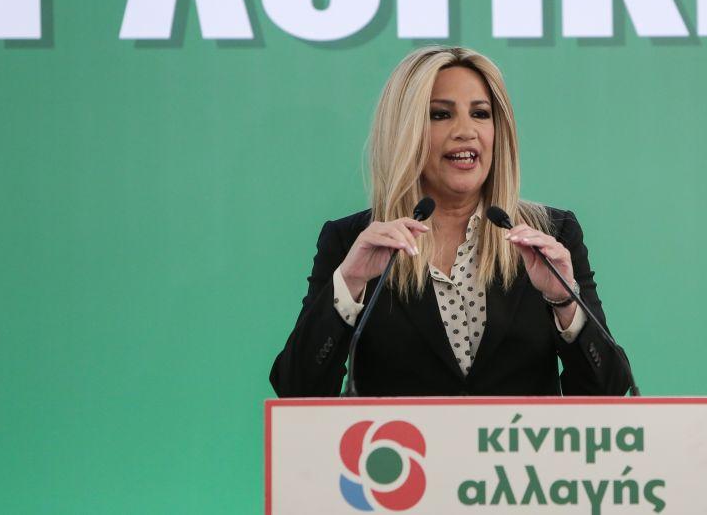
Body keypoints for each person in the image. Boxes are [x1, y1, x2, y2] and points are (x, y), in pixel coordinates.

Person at [270, 46, 630, 397]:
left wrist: (564, 302)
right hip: (400, 440)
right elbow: (297, 390)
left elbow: (608, 391)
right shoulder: (354, 241)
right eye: (441, 115)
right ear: (404, 130)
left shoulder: (552, 234)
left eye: (481, 114)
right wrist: (349, 284)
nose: (465, 131)